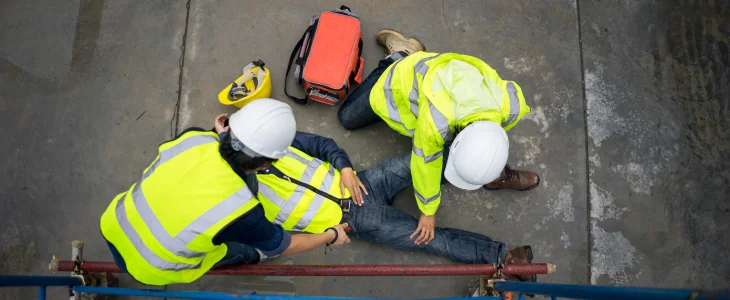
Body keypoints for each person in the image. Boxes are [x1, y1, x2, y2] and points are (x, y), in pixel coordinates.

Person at [215, 116, 537, 282]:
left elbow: (323, 145)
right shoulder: (243, 206)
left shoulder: (270, 142)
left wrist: (344, 169)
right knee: (435, 240)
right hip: (355, 222)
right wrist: (331, 235)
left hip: (363, 183)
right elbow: (271, 246)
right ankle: (507, 258)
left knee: (422, 160)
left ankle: (490, 171)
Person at [99, 99, 350, 285]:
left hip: (114, 222)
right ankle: (252, 256)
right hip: (152, 265)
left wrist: (221, 137)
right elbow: (286, 246)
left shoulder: (194, 137)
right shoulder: (242, 209)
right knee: (243, 249)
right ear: (264, 165)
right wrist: (330, 235)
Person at [337, 29, 541, 246]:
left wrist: (489, 161)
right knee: (347, 118)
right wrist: (428, 211)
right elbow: (425, 165)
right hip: (398, 82)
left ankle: (496, 174)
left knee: (477, 154)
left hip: (440, 84)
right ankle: (401, 54)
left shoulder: (511, 106)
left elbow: (491, 140)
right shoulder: (435, 123)